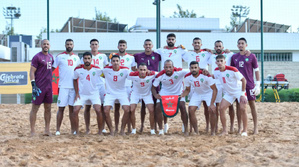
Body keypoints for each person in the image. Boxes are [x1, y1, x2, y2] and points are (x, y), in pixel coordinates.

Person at [155, 33, 187, 133]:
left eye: (172, 39)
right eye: (169, 39)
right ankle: (163, 126)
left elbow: (191, 56)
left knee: (182, 105)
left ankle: (185, 126)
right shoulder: (161, 50)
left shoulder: (181, 50)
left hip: (177, 80)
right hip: (166, 82)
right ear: (166, 40)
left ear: (175, 41)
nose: (171, 41)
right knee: (159, 106)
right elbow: (150, 52)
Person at [182, 37, 213, 133]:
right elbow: (180, 58)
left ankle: (208, 126)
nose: (196, 44)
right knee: (192, 106)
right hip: (193, 82)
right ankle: (191, 128)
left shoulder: (207, 53)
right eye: (195, 43)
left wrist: (208, 50)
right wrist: (181, 47)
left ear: (201, 44)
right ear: (192, 44)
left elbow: (217, 55)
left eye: (198, 43)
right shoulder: (188, 53)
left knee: (207, 107)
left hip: (204, 80)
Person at [231, 37, 260, 135]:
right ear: (237, 45)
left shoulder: (252, 56)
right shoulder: (234, 57)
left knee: (252, 105)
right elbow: (232, 71)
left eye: (242, 43)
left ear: (246, 45)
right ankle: (240, 128)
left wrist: (258, 84)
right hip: (238, 85)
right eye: (239, 43)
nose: (240, 45)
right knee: (239, 106)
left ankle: (256, 127)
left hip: (250, 84)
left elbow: (256, 70)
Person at [213, 54, 248, 136]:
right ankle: (225, 130)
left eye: (221, 61)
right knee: (221, 108)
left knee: (243, 108)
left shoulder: (232, 69)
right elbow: (213, 76)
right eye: (218, 61)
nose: (220, 63)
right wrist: (205, 73)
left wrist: (242, 94)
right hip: (229, 93)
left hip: (239, 91)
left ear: (225, 62)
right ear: (216, 62)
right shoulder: (216, 71)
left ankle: (245, 130)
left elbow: (243, 80)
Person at [152, 60, 189, 135]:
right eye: (166, 67)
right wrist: (155, 95)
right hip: (165, 93)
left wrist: (202, 70)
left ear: (173, 67)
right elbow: (153, 87)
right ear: (164, 68)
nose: (168, 69)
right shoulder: (160, 75)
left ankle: (185, 128)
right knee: (158, 107)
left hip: (178, 93)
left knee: (182, 106)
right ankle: (161, 129)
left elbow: (192, 70)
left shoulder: (179, 71)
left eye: (170, 67)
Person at [181, 61, 218, 135]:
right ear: (189, 69)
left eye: (195, 68)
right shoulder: (187, 77)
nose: (193, 69)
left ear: (198, 68)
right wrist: (181, 96)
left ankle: (213, 131)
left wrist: (212, 103)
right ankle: (196, 131)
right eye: (192, 68)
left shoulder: (205, 75)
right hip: (197, 93)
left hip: (208, 93)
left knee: (212, 109)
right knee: (191, 109)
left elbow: (214, 89)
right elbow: (187, 90)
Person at [52, 39, 81, 135]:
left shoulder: (76, 58)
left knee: (72, 109)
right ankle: (57, 130)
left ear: (73, 45)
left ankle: (73, 130)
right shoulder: (59, 57)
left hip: (73, 87)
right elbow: (51, 69)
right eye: (68, 44)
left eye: (71, 44)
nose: (69, 45)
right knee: (61, 108)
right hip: (63, 87)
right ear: (65, 45)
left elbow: (79, 72)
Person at [81, 39, 109, 134]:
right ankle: (88, 128)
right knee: (87, 107)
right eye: (92, 44)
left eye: (96, 44)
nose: (94, 46)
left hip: (101, 85)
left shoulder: (103, 56)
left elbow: (107, 68)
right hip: (89, 85)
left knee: (101, 107)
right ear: (90, 46)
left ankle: (102, 128)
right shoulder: (86, 57)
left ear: (98, 46)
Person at [208, 40, 236, 133]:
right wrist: (205, 49)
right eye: (217, 46)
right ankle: (216, 127)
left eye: (220, 46)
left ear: (223, 47)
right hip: (217, 82)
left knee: (230, 106)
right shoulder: (211, 56)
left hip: (228, 82)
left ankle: (231, 126)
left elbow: (240, 54)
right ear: (214, 48)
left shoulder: (229, 54)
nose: (218, 48)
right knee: (217, 105)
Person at [109, 40, 136, 133]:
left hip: (128, 85)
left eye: (123, 45)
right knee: (116, 108)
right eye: (120, 45)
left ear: (126, 47)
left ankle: (127, 128)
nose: (122, 47)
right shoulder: (113, 57)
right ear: (118, 47)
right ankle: (116, 127)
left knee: (127, 108)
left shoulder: (131, 57)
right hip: (116, 86)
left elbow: (133, 69)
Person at [72, 52, 103, 135]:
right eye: (85, 58)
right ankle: (77, 131)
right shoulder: (78, 69)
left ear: (91, 59)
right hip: (82, 94)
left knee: (98, 110)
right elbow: (74, 80)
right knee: (75, 111)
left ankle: (100, 131)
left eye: (89, 58)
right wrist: (77, 93)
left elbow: (106, 74)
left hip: (94, 94)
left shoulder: (97, 69)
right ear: (83, 60)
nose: (87, 60)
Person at [134, 39, 161, 132]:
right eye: (146, 45)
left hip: (154, 83)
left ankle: (156, 126)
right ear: (143, 46)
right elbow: (128, 58)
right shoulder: (138, 56)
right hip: (143, 83)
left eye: (149, 44)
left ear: (152, 46)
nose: (148, 46)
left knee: (155, 106)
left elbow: (170, 54)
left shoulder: (157, 55)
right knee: (143, 106)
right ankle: (142, 125)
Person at [29, 39, 54, 136]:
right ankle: (32, 131)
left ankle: (47, 130)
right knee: (35, 108)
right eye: (44, 44)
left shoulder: (51, 57)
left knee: (48, 108)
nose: (46, 45)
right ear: (41, 45)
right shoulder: (37, 57)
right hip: (39, 87)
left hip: (49, 88)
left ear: (49, 46)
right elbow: (31, 71)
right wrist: (33, 85)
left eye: (47, 44)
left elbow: (52, 69)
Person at [103, 55, 131, 135]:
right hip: (110, 93)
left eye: (117, 61)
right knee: (106, 110)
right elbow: (94, 69)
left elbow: (135, 74)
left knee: (127, 109)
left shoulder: (125, 70)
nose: (115, 62)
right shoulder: (105, 69)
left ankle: (122, 130)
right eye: (114, 61)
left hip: (122, 92)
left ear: (120, 62)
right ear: (111, 62)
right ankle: (111, 130)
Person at [127, 63, 156, 134]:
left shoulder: (151, 74)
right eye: (141, 70)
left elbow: (161, 73)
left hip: (147, 94)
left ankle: (152, 130)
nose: (142, 72)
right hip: (135, 94)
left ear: (147, 70)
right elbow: (124, 75)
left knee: (151, 110)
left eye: (144, 70)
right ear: (138, 70)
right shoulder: (132, 75)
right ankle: (133, 129)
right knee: (132, 109)